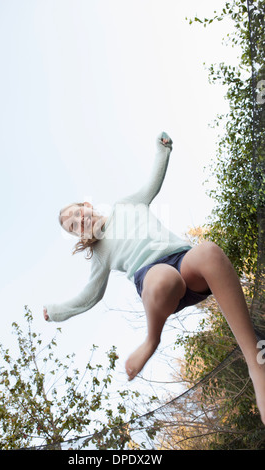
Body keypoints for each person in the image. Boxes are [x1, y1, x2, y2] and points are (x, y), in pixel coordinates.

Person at [43, 132, 265, 424]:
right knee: (164, 278)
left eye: (77, 214)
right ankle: (151, 339)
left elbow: (151, 185)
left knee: (209, 251)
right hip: (153, 281)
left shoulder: (125, 205)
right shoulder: (99, 254)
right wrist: (57, 311)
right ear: (77, 234)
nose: (78, 222)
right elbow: (90, 295)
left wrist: (163, 151)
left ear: (86, 207)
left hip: (184, 262)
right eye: (72, 227)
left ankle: (254, 359)